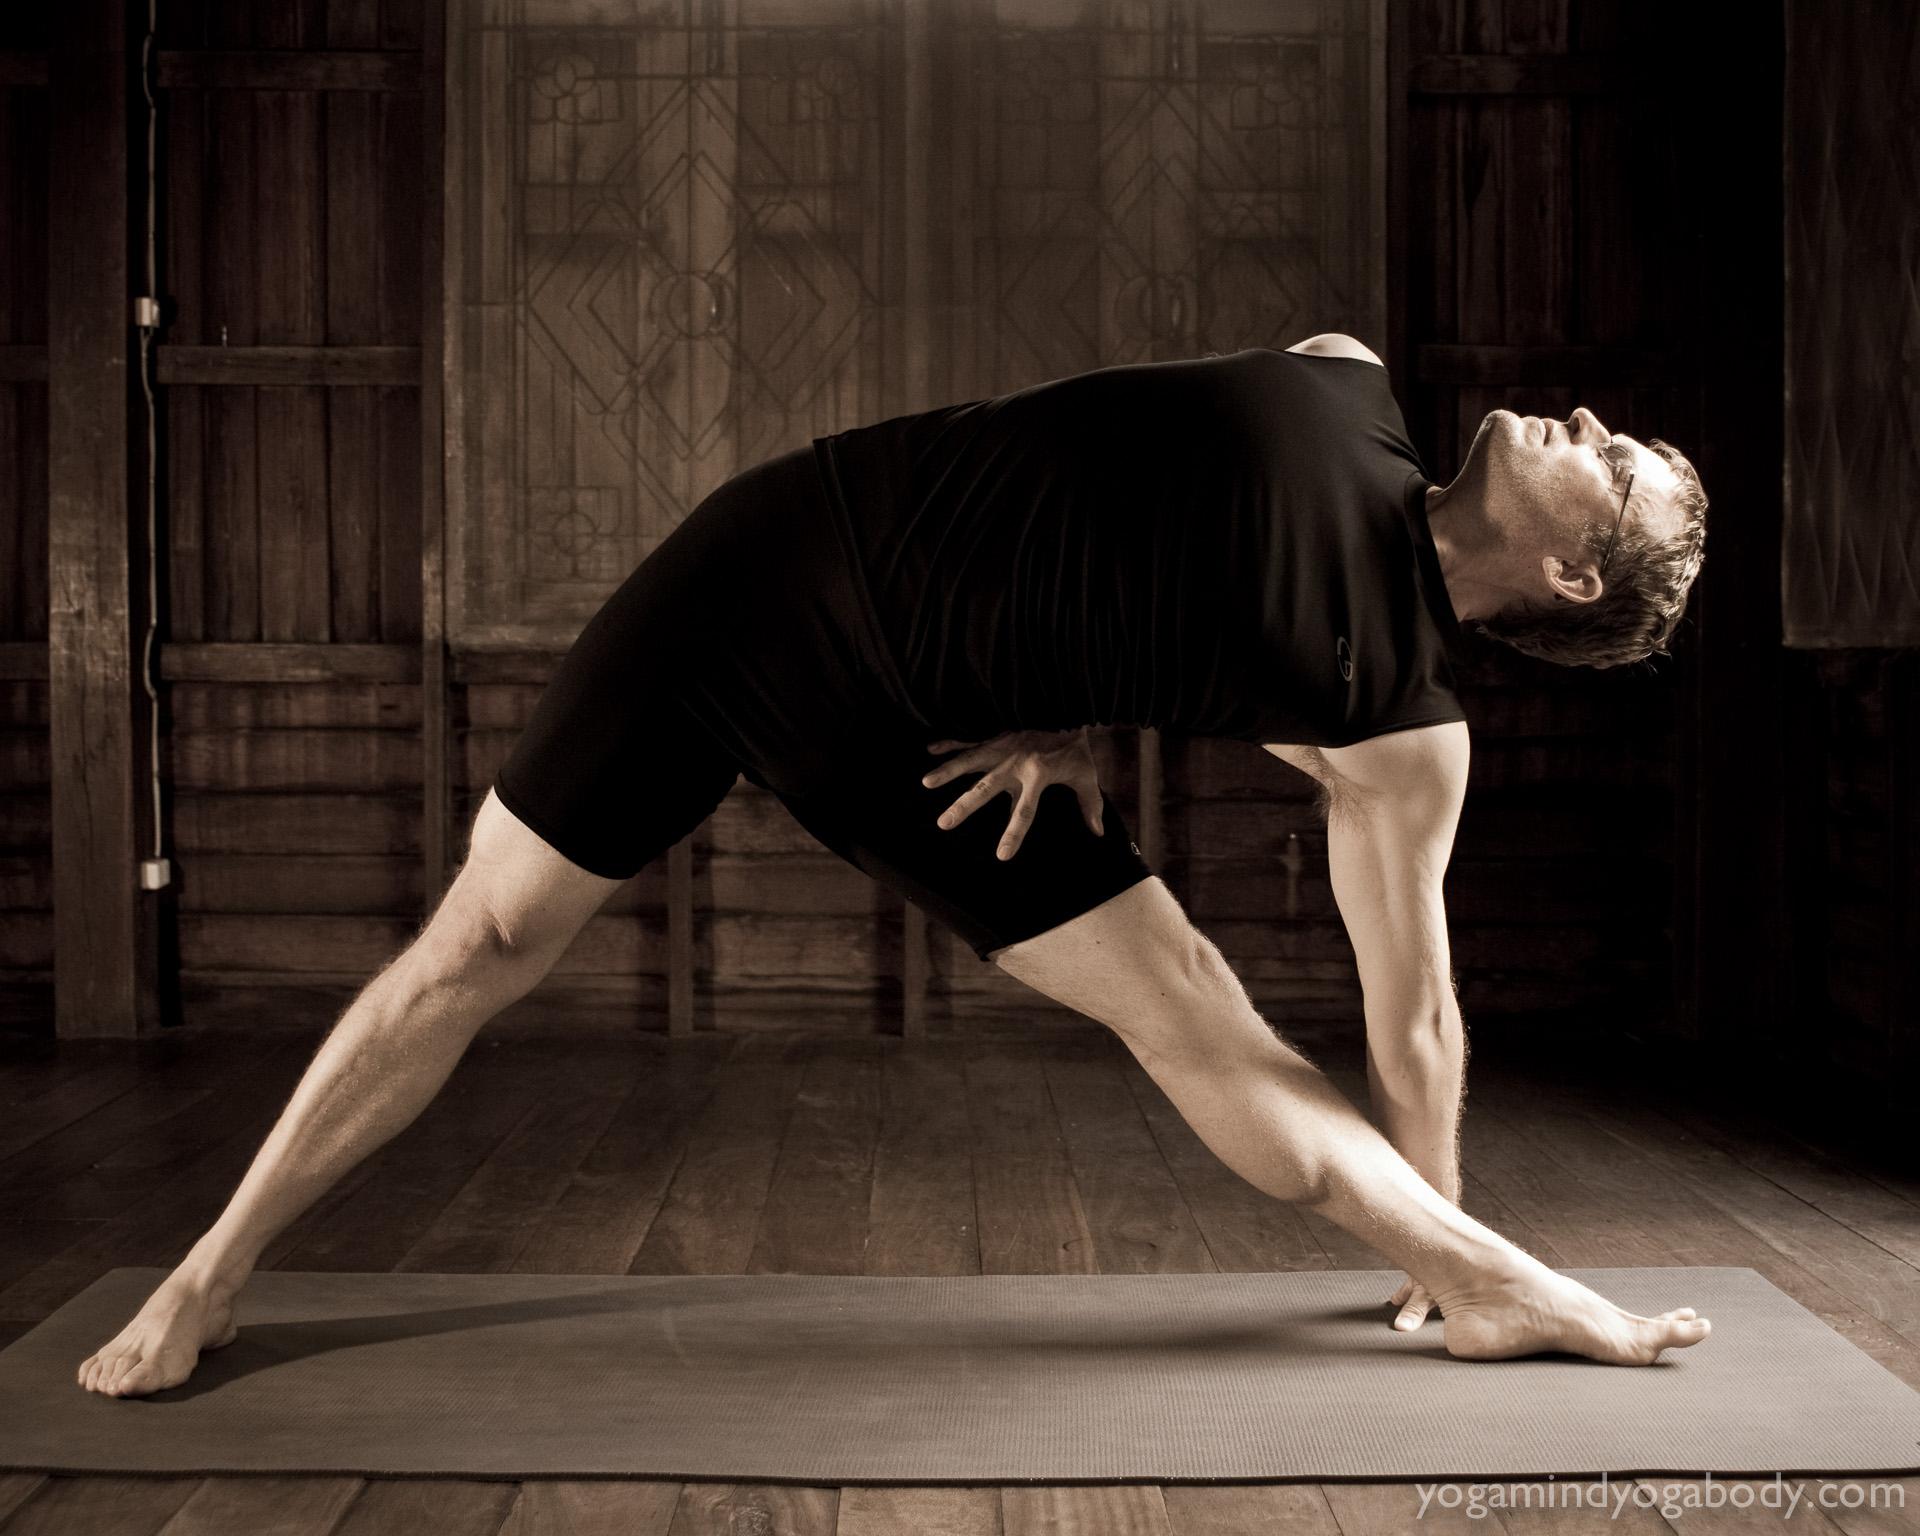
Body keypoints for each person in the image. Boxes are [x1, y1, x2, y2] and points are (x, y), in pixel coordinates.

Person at [77, 334, 1711, 1398]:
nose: (1587, 415)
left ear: (1570, 571)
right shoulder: (1348, 380)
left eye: (1611, 456)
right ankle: (213, 1277)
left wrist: (1434, 1236)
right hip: (764, 583)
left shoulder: (1398, 730)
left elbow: (1412, 1013)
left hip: (922, 739)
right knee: (482, 945)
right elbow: (1145, 506)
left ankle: (1481, 1283)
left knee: (1197, 1008)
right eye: (1615, 428)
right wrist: (1081, 709)